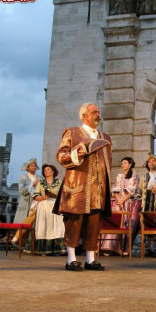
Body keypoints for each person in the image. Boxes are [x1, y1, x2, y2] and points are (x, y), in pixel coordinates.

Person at [54, 103, 112, 271]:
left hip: (98, 188)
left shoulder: (106, 137)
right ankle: (71, 259)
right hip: (78, 186)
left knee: (94, 223)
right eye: (94, 112)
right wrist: (76, 153)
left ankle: (90, 259)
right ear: (84, 116)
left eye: (99, 112)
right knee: (74, 222)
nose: (98, 115)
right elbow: (60, 155)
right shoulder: (72, 132)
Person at [100, 156, 141, 256]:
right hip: (118, 203)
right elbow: (116, 189)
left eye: (125, 163)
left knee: (127, 224)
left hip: (128, 203)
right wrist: (118, 199)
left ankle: (124, 248)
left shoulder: (134, 177)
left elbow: (132, 191)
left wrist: (123, 199)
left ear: (130, 164)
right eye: (122, 163)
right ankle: (111, 247)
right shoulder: (119, 176)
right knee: (115, 223)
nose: (123, 165)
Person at [30, 164, 66, 255]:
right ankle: (43, 249)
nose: (46, 171)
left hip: (55, 205)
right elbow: (35, 195)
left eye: (48, 169)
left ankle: (57, 249)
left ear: (53, 171)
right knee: (44, 226)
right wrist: (41, 197)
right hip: (44, 206)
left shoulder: (59, 181)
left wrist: (56, 196)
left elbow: (63, 194)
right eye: (45, 170)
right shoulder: (40, 182)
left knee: (57, 226)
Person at [10, 158, 40, 247]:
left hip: (36, 203)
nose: (33, 167)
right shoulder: (23, 177)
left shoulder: (40, 178)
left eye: (34, 165)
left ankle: (31, 246)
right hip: (26, 203)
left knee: (34, 225)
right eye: (31, 165)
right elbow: (22, 190)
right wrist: (32, 185)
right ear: (27, 168)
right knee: (23, 223)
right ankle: (20, 244)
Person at [139, 154, 156, 257]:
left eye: (154, 161)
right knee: (148, 223)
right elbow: (140, 189)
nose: (152, 163)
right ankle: (150, 247)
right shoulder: (144, 177)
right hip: (147, 202)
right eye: (150, 162)